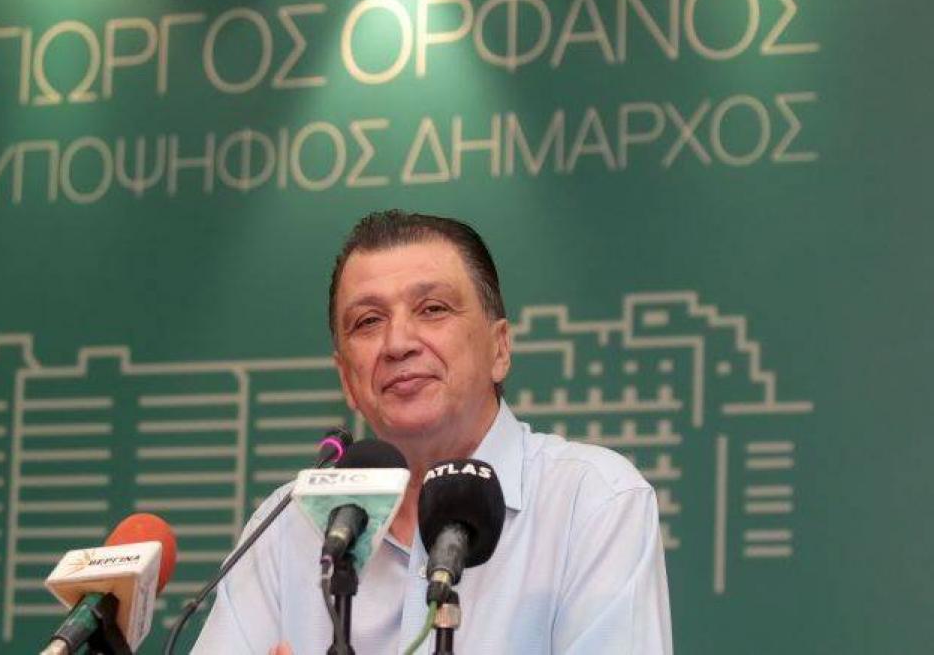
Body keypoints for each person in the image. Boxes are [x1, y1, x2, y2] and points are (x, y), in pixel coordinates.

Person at [193, 211, 672, 654]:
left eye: (433, 309)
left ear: (500, 349)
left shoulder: (592, 502)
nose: (398, 343)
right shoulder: (287, 525)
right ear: (346, 380)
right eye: (368, 321)